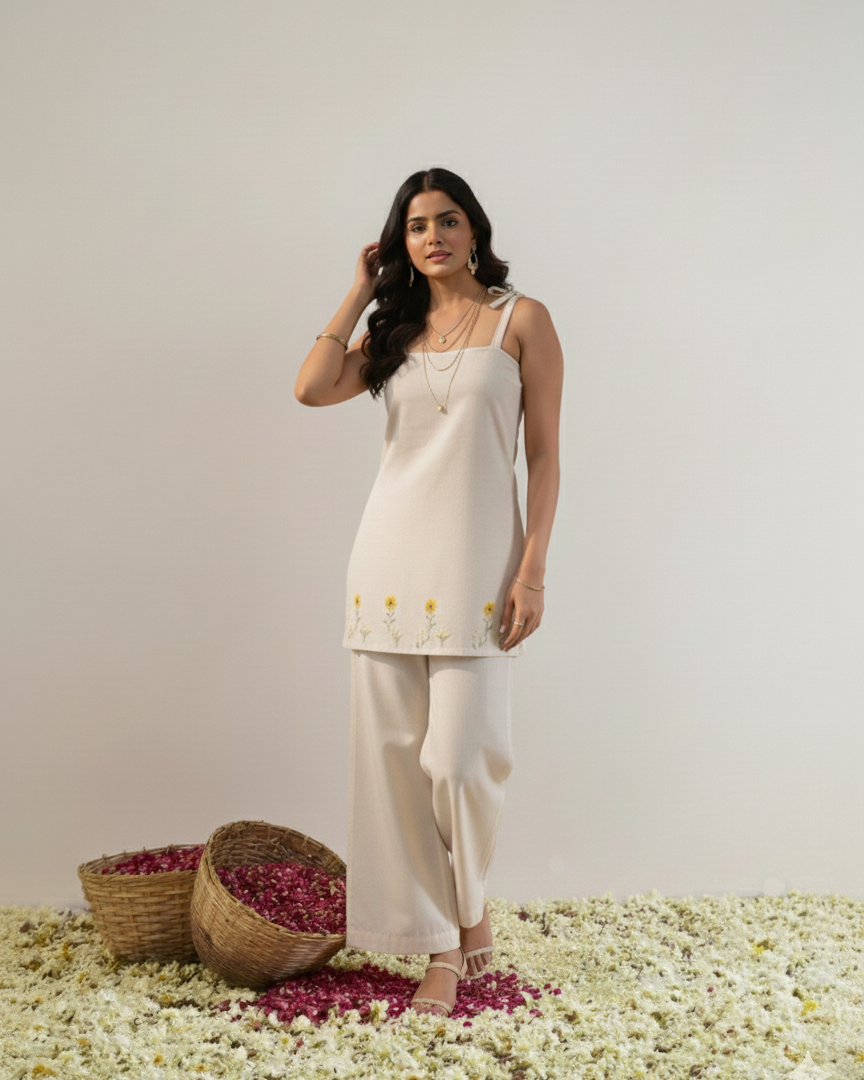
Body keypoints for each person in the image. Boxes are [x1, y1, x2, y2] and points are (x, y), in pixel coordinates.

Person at [294, 168, 563, 1017]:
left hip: (478, 571)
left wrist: (531, 569)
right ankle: (444, 947)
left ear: (474, 229)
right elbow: (309, 386)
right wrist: (358, 290)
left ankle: (470, 910)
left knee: (461, 761)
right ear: (400, 243)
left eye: (447, 220)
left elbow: (545, 456)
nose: (432, 236)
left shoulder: (523, 320)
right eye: (415, 227)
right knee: (396, 771)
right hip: (385, 567)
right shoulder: (396, 332)